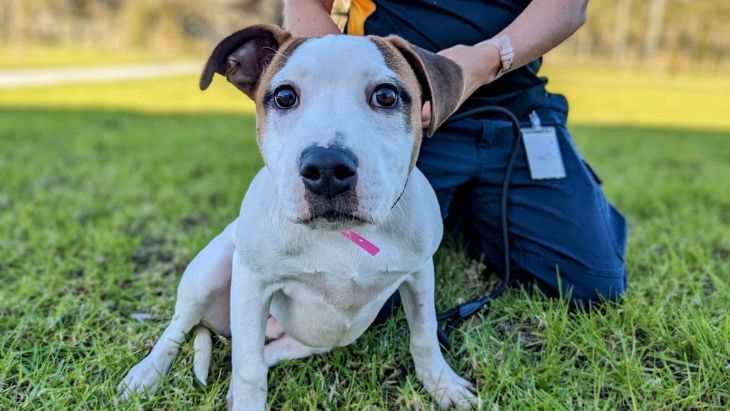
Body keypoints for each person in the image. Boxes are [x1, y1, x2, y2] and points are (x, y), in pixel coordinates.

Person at [283, 0, 628, 317]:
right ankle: (447, 204)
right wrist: (351, 100)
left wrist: (488, 59)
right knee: (356, 298)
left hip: (516, 112)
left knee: (592, 282)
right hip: (405, 118)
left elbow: (566, 7)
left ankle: (464, 210)